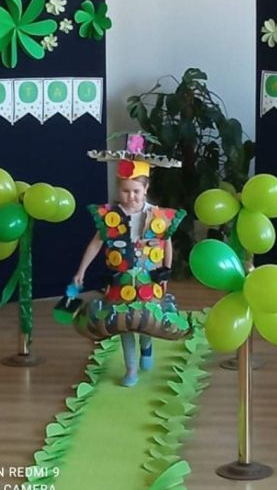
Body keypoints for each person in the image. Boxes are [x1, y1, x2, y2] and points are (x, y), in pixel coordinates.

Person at [68, 135, 189, 387]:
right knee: (123, 324)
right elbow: (96, 243)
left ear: (146, 189)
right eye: (125, 191)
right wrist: (81, 271)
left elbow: (166, 242)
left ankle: (147, 346)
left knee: (146, 321)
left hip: (148, 279)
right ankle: (131, 368)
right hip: (120, 281)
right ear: (118, 189)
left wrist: (166, 271)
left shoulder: (157, 216)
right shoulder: (110, 216)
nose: (131, 196)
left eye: (136, 191)